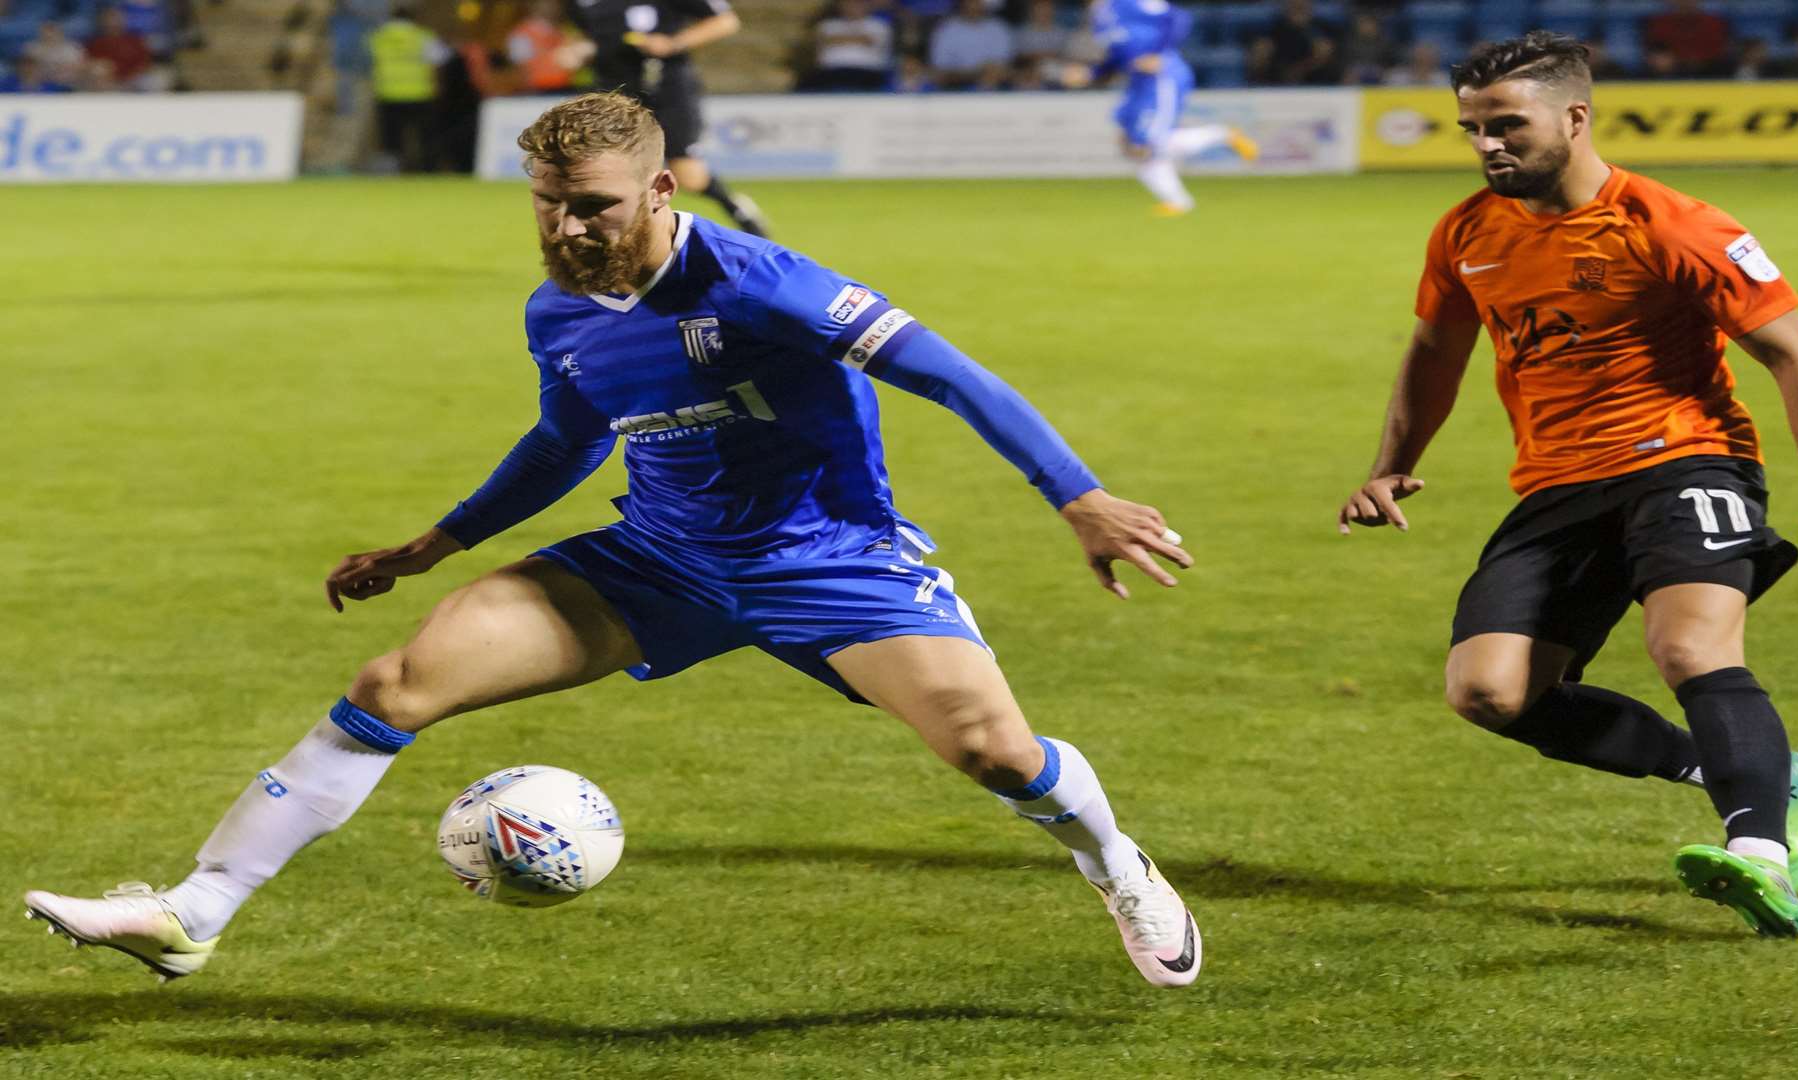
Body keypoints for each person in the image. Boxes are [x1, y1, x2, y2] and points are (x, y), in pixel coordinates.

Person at [23, 92, 1204, 991]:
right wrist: (429, 546)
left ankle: (1117, 866)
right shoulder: (559, 310)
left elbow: (954, 376)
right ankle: (195, 912)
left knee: (998, 757)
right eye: (546, 202)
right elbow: (566, 440)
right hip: (658, 563)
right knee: (394, 684)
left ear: (660, 190)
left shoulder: (764, 286)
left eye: (589, 204)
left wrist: (1078, 497)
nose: (566, 225)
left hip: (830, 564)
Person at [1336, 32, 1798, 939]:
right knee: (1490, 693)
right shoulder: (1468, 231)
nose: (1486, 146)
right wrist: (1389, 462)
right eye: (1472, 129)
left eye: (1506, 125)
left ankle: (1761, 855)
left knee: (1690, 649)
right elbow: (1435, 350)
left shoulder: (1675, 223)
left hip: (1687, 460)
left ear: (1575, 117)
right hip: (1557, 486)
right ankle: (1741, 770)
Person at [569, 0, 774, 237]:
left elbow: (725, 21)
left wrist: (673, 43)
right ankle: (617, 233)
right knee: (610, 167)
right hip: (614, 93)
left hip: (668, 90)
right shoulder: (583, 4)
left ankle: (738, 210)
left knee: (688, 174)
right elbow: (591, 37)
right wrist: (577, 51)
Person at [1070, 0, 1259, 217]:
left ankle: (1221, 137)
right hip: (1138, 82)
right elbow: (1118, 57)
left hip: (1162, 77)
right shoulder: (1099, 18)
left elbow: (1179, 18)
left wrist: (1159, 53)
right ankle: (1178, 201)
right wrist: (1090, 74)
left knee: (1148, 144)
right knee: (1130, 144)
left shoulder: (1131, 3)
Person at [369, 4, 451, 172]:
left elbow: (367, 62)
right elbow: (440, 61)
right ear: (413, 19)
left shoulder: (378, 37)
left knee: (391, 139)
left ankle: (393, 172)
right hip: (420, 94)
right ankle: (428, 171)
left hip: (388, 93)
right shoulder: (422, 36)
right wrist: (438, 86)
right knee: (426, 137)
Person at [798, 0, 894, 92]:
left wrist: (839, 39)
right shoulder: (827, 25)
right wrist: (858, 39)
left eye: (856, 4)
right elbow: (824, 41)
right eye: (848, 4)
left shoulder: (879, 25)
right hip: (830, 73)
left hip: (867, 73)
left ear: (866, 5)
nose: (852, 7)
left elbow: (869, 41)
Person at [927, 0, 1014, 89]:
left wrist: (990, 73)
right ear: (962, 3)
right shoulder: (945, 30)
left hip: (995, 87)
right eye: (970, 2)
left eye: (977, 2)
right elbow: (939, 71)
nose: (974, 5)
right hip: (954, 89)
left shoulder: (999, 29)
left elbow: (1004, 68)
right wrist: (974, 74)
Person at [508, 0, 588, 93]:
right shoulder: (521, 34)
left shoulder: (565, 30)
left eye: (555, 3)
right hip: (537, 91)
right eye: (547, 2)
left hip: (568, 88)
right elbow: (521, 69)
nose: (552, 6)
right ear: (533, 5)